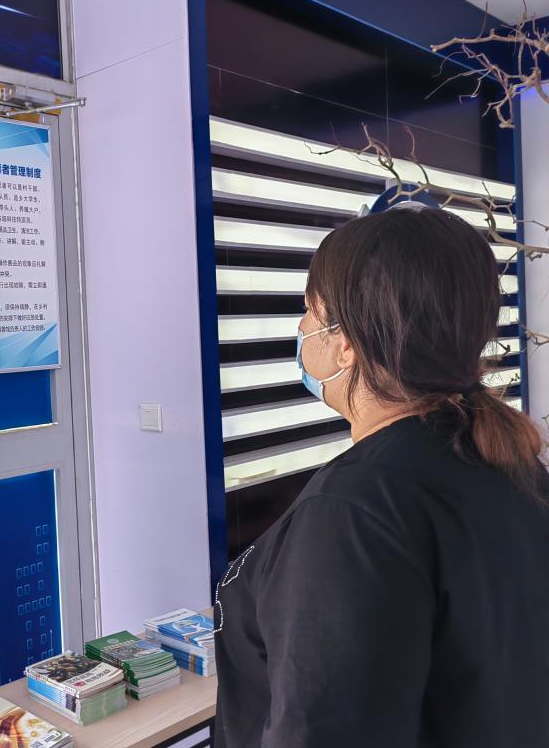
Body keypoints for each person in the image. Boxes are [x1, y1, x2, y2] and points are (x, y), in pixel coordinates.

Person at [213, 206, 549, 748]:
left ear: (345, 341)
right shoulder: (507, 460)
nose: (301, 330)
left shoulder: (353, 511)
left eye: (309, 311)